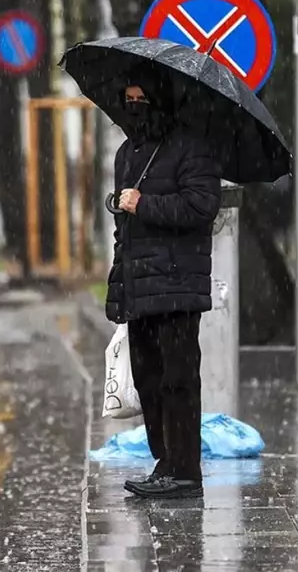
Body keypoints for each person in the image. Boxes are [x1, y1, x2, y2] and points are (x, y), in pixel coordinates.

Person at [105, 82, 221, 499]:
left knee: (178, 381)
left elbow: (202, 206)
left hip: (177, 284)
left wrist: (144, 203)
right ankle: (165, 462)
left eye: (143, 100)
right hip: (139, 286)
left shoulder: (192, 147)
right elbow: (124, 229)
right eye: (129, 100)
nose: (135, 107)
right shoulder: (126, 153)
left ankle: (186, 471)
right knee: (148, 380)